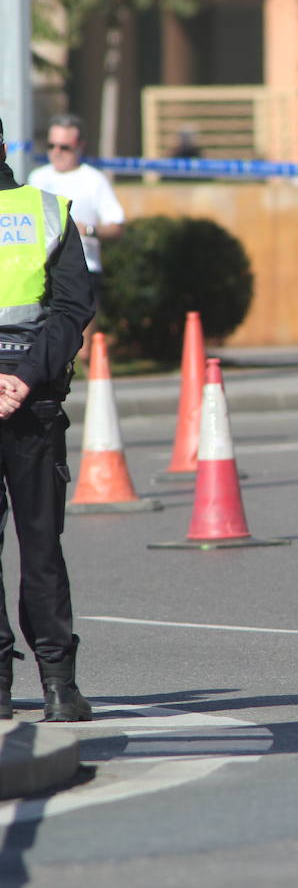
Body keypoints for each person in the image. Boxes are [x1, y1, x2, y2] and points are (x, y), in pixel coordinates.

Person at [0, 116, 99, 722]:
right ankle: (59, 687)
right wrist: (24, 376)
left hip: (24, 396)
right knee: (41, 547)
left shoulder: (47, 208)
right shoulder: (44, 210)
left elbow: (71, 307)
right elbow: (72, 312)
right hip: (32, 401)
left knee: (37, 548)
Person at [27, 114, 124, 360]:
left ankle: (94, 392)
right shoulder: (37, 178)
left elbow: (117, 225)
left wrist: (88, 230)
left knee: (84, 350)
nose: (57, 152)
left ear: (80, 146)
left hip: (84, 270)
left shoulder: (93, 180)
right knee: (44, 345)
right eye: (51, 146)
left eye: (64, 147)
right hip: (42, 270)